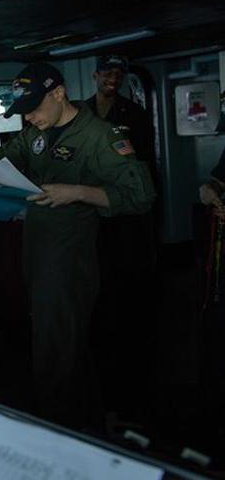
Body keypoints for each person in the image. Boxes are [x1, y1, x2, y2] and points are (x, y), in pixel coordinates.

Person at [0, 62, 155, 425]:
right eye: (24, 111)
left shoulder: (100, 136)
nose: (30, 117)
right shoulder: (37, 132)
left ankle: (57, 431)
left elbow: (141, 194)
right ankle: (89, 422)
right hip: (38, 254)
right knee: (65, 347)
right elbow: (6, 156)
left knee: (55, 353)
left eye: (34, 108)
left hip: (70, 260)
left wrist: (79, 192)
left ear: (59, 93)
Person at [83, 54, 157, 420]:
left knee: (123, 292)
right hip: (88, 216)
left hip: (122, 218)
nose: (113, 77)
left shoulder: (135, 115)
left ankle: (131, 382)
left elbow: (142, 168)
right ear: (95, 75)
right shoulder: (80, 113)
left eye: (119, 72)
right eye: (107, 72)